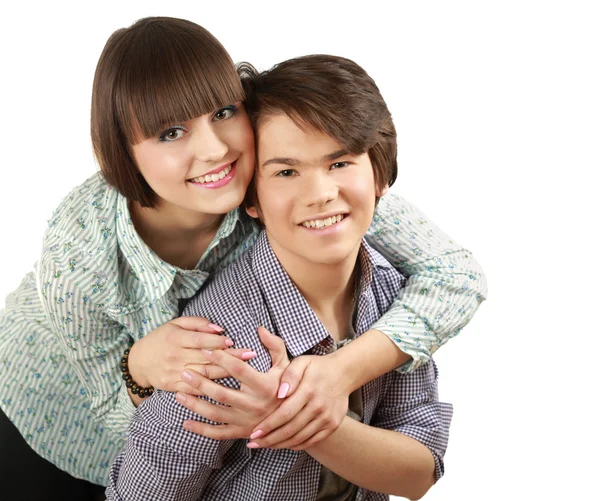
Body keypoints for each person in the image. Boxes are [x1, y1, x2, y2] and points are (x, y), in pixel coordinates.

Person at [0, 16, 485, 498]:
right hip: (56, 417)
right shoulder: (76, 254)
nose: (213, 150)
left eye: (223, 112)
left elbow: (454, 276)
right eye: (170, 132)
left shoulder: (290, 177)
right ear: (119, 151)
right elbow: (122, 424)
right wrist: (138, 368)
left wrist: (337, 373)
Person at [107, 54, 454, 501]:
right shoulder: (222, 344)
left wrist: (292, 419)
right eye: (287, 172)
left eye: (340, 162)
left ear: (379, 177)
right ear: (252, 200)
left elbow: (419, 474)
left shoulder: (393, 303)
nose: (320, 195)